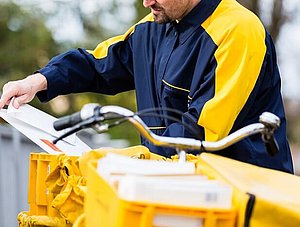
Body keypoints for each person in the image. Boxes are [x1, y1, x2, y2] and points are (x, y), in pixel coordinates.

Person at [0, 0, 294, 173]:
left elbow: (199, 135)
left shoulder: (239, 31)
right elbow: (99, 64)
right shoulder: (153, 26)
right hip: (175, 188)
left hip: (245, 197)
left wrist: (116, 161)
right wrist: (39, 80)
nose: (146, 2)